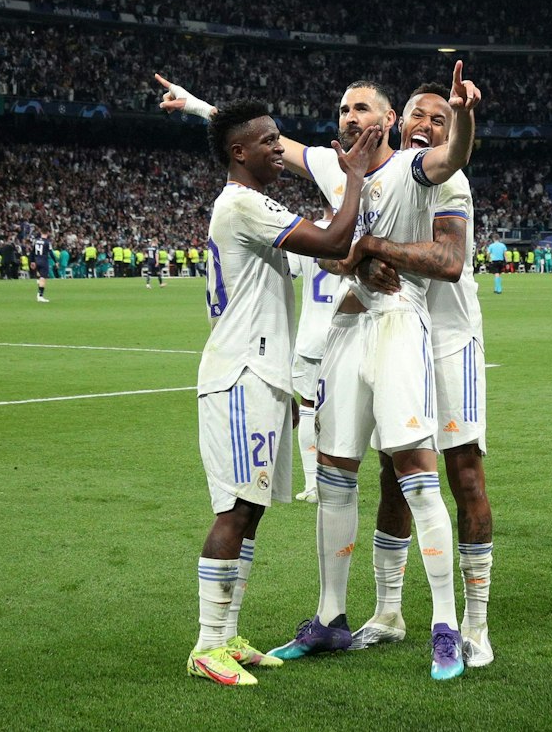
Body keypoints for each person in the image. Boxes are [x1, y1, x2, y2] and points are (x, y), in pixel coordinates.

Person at [158, 65, 484, 681]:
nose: (350, 118)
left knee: (416, 472)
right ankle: (331, 619)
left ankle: (444, 625)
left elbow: (451, 158)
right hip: (345, 331)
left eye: (363, 108)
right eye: (343, 110)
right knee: (334, 478)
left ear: (389, 120)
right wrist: (202, 105)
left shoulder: (414, 168)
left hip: (398, 326)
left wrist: (462, 116)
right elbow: (267, 144)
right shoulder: (341, 168)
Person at [187, 100, 376, 688]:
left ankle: (228, 636)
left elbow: (329, 254)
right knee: (235, 510)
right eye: (268, 141)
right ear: (238, 152)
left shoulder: (248, 203)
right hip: (240, 374)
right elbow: (334, 237)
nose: (279, 148)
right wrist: (354, 175)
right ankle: (207, 645)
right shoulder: (243, 203)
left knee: (253, 511)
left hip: (262, 374)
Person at [354, 83, 498, 669]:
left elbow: (449, 261)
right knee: (393, 475)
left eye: (442, 119)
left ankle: (476, 624)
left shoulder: (450, 180)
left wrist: (374, 247)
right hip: (398, 336)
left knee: (464, 476)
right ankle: (389, 611)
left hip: (450, 343)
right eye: (420, 113)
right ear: (399, 121)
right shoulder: (386, 179)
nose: (428, 124)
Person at [286, 207, 340, 503]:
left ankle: (311, 484)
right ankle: (344, 482)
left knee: (308, 406)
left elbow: (288, 274)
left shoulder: (304, 231)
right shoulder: (355, 229)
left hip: (310, 335)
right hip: (345, 334)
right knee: (344, 411)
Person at [31, 229, 53, 303]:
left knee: (40, 277)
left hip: (37, 260)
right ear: (48, 232)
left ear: (41, 232)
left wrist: (32, 261)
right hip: (43, 261)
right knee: (43, 278)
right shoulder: (47, 242)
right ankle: (40, 296)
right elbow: (51, 253)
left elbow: (32, 251)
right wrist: (56, 261)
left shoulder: (36, 241)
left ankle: (38, 281)